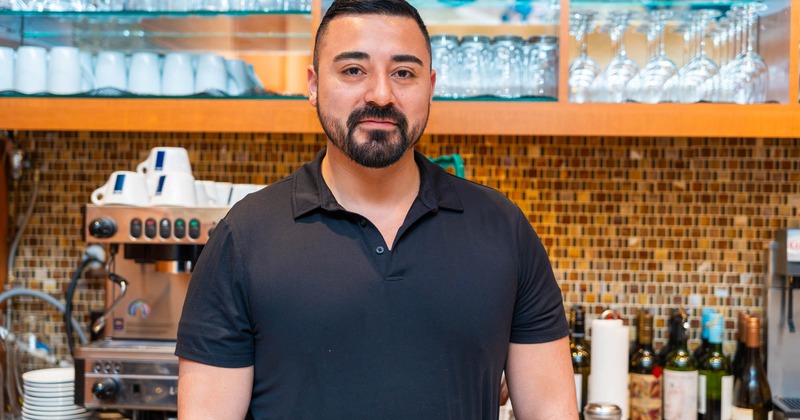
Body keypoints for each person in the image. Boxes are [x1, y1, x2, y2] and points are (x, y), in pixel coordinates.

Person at [175, 0, 577, 418]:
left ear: (431, 87)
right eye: (353, 70)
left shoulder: (503, 228)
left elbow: (552, 410)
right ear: (313, 85)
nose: (381, 95)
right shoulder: (243, 237)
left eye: (404, 73)